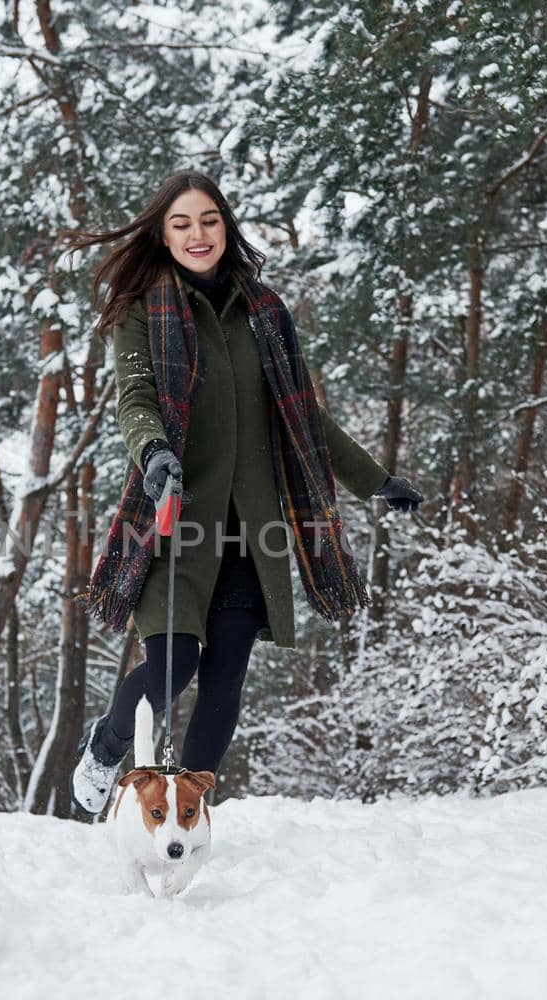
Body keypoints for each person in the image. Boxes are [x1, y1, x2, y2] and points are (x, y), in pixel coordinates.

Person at [67, 171, 423, 813]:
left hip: (250, 533)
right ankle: (109, 741)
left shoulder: (265, 313)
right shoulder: (141, 310)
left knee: (226, 677)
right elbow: (136, 399)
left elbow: (305, 419)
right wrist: (153, 452)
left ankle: (187, 815)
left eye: (209, 220)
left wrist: (376, 481)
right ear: (163, 234)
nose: (197, 234)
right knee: (173, 667)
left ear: (226, 227)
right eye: (182, 224)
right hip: (174, 519)